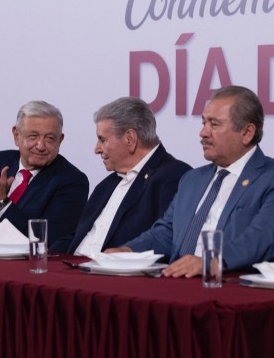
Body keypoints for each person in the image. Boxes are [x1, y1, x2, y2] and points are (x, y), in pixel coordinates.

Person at [109, 85, 274, 277]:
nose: (203, 132)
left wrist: (210, 262)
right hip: (179, 282)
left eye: (214, 124)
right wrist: (126, 252)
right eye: (203, 123)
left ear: (247, 133)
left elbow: (264, 236)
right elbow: (166, 233)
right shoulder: (192, 179)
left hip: (233, 287)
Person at [0, 100, 89, 252]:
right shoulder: (0, 160)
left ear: (60, 140)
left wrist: (0, 202)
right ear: (16, 135)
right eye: (33, 136)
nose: (40, 146)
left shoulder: (72, 181)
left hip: (17, 262)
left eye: (50, 138)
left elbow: (45, 242)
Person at [68, 96, 192, 255]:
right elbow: (77, 236)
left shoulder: (175, 177)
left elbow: (164, 240)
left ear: (130, 138)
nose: (96, 149)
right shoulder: (106, 185)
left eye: (102, 140)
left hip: (113, 268)